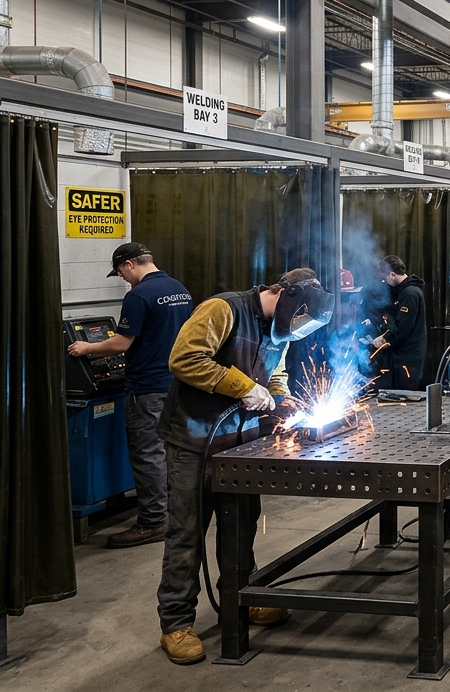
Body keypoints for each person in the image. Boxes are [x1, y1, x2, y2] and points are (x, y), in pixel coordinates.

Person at [155, 269, 335, 665]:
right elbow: (183, 359)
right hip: (193, 441)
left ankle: (241, 598)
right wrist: (243, 386)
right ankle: (176, 623)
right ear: (283, 295)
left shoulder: (281, 330)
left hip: (241, 445)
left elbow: (277, 375)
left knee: (241, 525)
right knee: (187, 532)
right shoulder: (222, 310)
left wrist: (280, 397)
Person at [66, 243, 193, 549]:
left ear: (130, 264)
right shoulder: (180, 289)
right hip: (176, 385)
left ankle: (152, 522)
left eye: (121, 271)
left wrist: (87, 347)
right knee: (169, 453)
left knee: (148, 455)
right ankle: (175, 514)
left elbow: (121, 343)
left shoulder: (138, 296)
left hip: (147, 388)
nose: (122, 278)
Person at [371, 255, 427, 390]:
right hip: (404, 355)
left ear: (392, 274)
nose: (385, 282)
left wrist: (384, 339)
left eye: (385, 278)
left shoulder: (410, 293)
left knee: (404, 395)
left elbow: (403, 327)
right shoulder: (405, 292)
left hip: (408, 357)